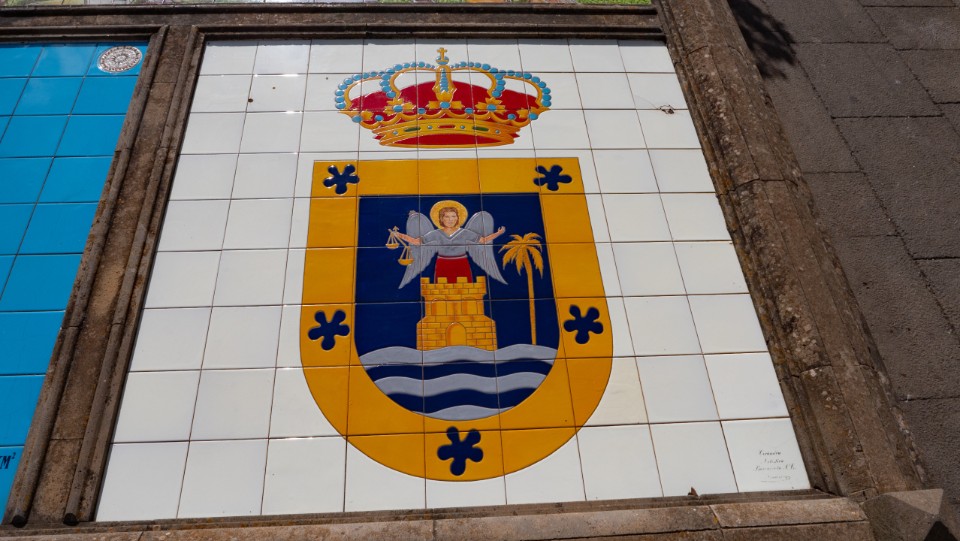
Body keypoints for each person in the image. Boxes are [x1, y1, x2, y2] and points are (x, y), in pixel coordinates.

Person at [394, 200, 506, 288]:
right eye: (447, 216)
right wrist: (400, 235)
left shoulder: (465, 233)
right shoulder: (435, 234)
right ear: (441, 219)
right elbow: (416, 242)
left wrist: (498, 233)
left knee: (465, 291)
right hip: (443, 264)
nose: (450, 219)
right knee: (442, 292)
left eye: (453, 216)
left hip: (461, 264)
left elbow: (484, 240)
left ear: (457, 218)